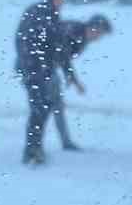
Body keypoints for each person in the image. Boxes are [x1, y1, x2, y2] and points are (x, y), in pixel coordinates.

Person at [13, 0, 67, 166]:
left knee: (42, 108)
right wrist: (37, 67)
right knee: (39, 109)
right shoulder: (44, 13)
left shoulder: (42, 11)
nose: (63, 0)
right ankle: (32, 151)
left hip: (35, 68)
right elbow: (31, 42)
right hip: (34, 69)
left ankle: (34, 148)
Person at [45, 15, 111, 152]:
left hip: (46, 68)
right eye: (98, 33)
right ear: (92, 27)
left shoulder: (81, 36)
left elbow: (64, 57)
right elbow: (62, 55)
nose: (98, 37)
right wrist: (74, 80)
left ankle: (57, 142)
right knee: (50, 105)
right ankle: (45, 145)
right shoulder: (73, 31)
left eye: (101, 35)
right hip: (37, 67)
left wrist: (72, 79)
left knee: (52, 105)